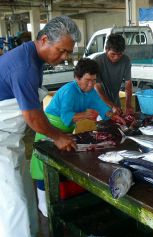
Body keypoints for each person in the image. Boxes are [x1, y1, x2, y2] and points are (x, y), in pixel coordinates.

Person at [0, 15, 80, 237]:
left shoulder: (33, 57)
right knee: (12, 203)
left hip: (9, 138)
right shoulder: (24, 66)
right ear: (44, 39)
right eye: (61, 51)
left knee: (25, 193)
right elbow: (32, 116)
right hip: (0, 141)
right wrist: (58, 137)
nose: (65, 58)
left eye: (68, 53)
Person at [30, 58, 125, 217]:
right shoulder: (69, 91)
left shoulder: (91, 92)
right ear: (77, 78)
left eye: (94, 81)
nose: (91, 84)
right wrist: (84, 115)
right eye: (87, 80)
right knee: (42, 162)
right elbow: (66, 116)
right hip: (49, 129)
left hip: (66, 131)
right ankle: (42, 202)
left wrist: (113, 116)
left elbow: (103, 109)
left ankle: (59, 195)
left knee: (61, 161)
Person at [94, 34, 134, 115]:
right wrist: (111, 106)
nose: (116, 57)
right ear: (106, 50)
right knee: (103, 126)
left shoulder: (126, 60)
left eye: (119, 54)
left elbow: (128, 84)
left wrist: (128, 105)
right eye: (113, 54)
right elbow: (97, 87)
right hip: (100, 103)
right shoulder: (97, 62)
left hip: (116, 103)